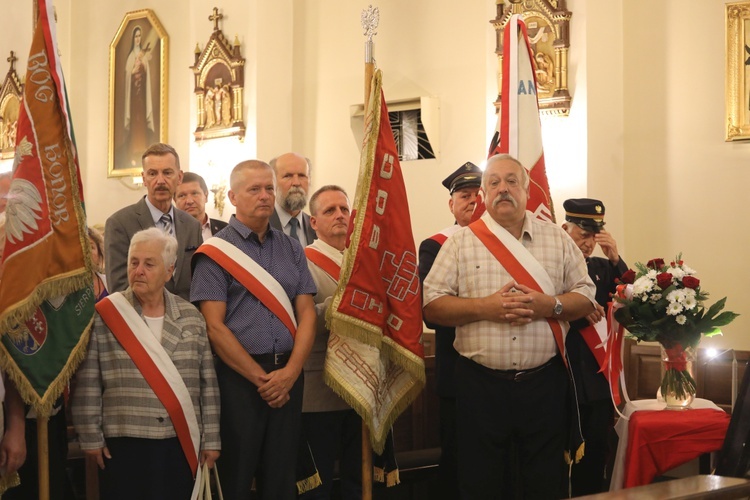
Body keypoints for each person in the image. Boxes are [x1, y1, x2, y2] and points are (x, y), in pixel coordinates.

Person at [422, 154, 596, 499]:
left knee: (544, 482)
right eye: (495, 183)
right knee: (480, 483)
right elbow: (431, 307)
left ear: (527, 188)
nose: (504, 189)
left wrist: (549, 305)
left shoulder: (557, 239)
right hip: (479, 386)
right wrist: (486, 307)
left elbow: (587, 296)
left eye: (512, 181)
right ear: (484, 193)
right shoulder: (460, 242)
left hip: (543, 384)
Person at [191, 160, 317, 500]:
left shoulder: (291, 247)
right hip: (239, 380)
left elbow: (306, 314)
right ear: (232, 196)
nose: (264, 196)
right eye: (254, 189)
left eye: (268, 188)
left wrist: (290, 372)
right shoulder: (215, 253)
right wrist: (262, 380)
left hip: (288, 375)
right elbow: (214, 328)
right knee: (236, 477)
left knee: (281, 477)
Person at [71, 228, 221, 500]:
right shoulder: (106, 314)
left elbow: (207, 383)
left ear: (169, 271)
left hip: (180, 438)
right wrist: (90, 436)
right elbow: (89, 381)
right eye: (133, 262)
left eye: (149, 264)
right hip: (125, 439)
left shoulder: (191, 316)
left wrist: (211, 439)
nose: (138, 270)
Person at [417, 161, 481, 500]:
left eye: (478, 195)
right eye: (465, 195)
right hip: (457, 371)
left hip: (505, 373)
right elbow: (432, 314)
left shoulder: (509, 245)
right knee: (458, 457)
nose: (473, 201)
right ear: (451, 204)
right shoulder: (436, 245)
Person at [299, 185, 361, 499]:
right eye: (329, 211)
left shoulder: (363, 260)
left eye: (344, 209)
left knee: (358, 480)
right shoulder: (302, 263)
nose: (339, 216)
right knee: (318, 484)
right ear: (313, 222)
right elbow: (301, 322)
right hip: (320, 390)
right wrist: (348, 300)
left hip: (362, 388)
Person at [562, 197, 627, 495]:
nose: (588, 243)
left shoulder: (602, 267)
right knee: (562, 455)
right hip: (567, 374)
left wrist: (615, 257)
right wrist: (578, 309)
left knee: (597, 451)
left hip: (599, 377)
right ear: (566, 229)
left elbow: (629, 296)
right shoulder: (553, 267)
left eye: (593, 236)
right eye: (583, 235)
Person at [105, 143, 202, 301]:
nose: (160, 180)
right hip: (140, 320)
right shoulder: (119, 224)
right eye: (152, 174)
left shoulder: (192, 225)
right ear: (144, 179)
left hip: (187, 320)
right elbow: (119, 288)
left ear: (179, 177)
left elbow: (199, 281)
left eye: (167, 172)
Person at [123, 25, 154, 168]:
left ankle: (142, 146)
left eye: (139, 36)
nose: (137, 39)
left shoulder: (143, 56)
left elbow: (146, 73)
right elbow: (129, 74)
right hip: (134, 98)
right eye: (136, 36)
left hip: (142, 95)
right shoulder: (131, 57)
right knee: (135, 122)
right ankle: (135, 147)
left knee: (141, 121)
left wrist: (142, 64)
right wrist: (134, 68)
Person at [269, 153, 316, 246]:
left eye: (302, 175)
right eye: (288, 176)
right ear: (272, 182)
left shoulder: (317, 227)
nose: (296, 183)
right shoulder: (260, 226)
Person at [174, 171, 228, 241]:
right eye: (182, 195)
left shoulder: (226, 230)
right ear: (175, 200)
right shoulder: (166, 232)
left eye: (194, 193)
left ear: (206, 196)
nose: (189, 201)